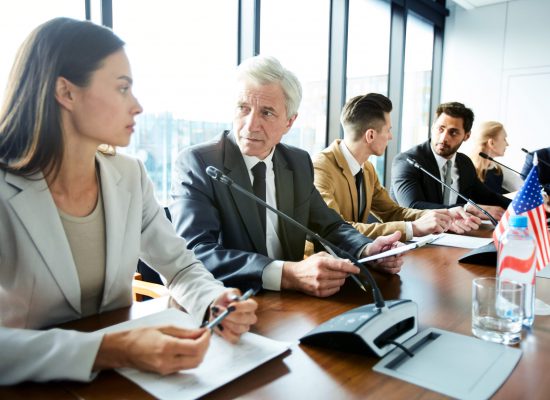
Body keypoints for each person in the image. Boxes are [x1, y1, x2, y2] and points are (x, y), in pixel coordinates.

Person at [0, 18, 257, 385]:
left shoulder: (130, 175)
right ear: (66, 92)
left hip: (126, 382)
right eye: (123, 88)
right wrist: (111, 349)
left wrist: (214, 300)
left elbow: (180, 267)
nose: (136, 106)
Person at [170, 55, 403, 299]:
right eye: (243, 108)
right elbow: (195, 252)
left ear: (289, 122)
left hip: (293, 304)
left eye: (267, 113)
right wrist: (287, 274)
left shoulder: (297, 162)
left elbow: (329, 226)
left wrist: (367, 249)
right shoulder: (199, 163)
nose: (251, 125)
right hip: (230, 304)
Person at [313, 93, 480, 241]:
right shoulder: (320, 169)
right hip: (322, 264)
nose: (391, 137)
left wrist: (441, 215)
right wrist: (413, 228)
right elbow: (338, 229)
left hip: (355, 257)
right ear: (371, 135)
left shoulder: (368, 169)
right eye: (388, 130)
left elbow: (393, 212)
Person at [391, 102, 511, 221]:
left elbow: (488, 197)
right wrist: (467, 208)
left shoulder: (464, 163)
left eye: (453, 132)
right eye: (440, 129)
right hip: (411, 236)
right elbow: (413, 207)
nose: (444, 138)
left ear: (466, 136)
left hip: (453, 234)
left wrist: (521, 206)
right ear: (433, 127)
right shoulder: (407, 161)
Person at [469, 121, 522, 194]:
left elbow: (521, 186)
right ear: (491, 143)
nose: (507, 144)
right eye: (504, 139)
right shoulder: (468, 170)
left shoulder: (497, 169)